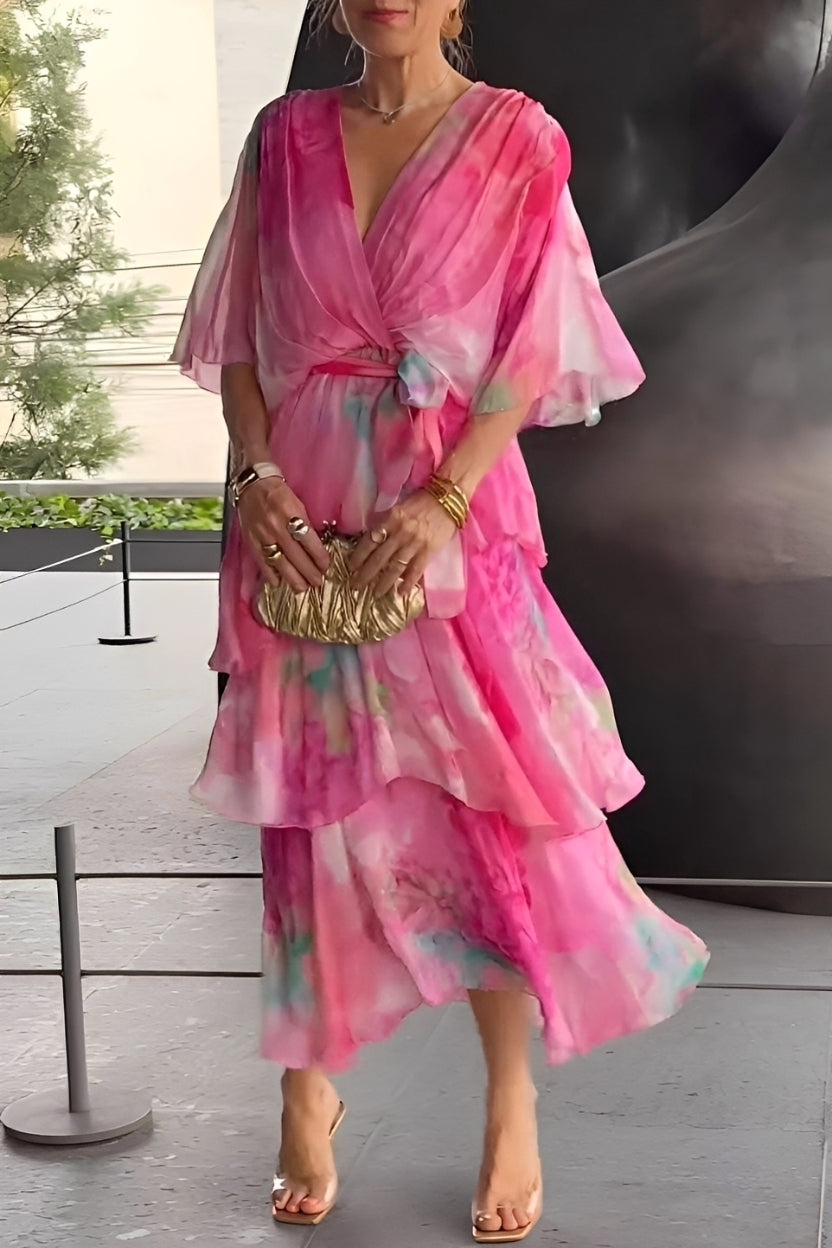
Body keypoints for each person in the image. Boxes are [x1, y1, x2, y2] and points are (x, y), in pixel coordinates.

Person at [173, 0, 709, 1240]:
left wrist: (448, 499)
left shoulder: (516, 136)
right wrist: (253, 473)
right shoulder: (283, 137)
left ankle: (510, 1097)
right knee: (308, 803)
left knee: (489, 802)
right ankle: (307, 1084)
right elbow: (242, 336)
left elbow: (530, 342)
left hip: (448, 514)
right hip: (297, 507)